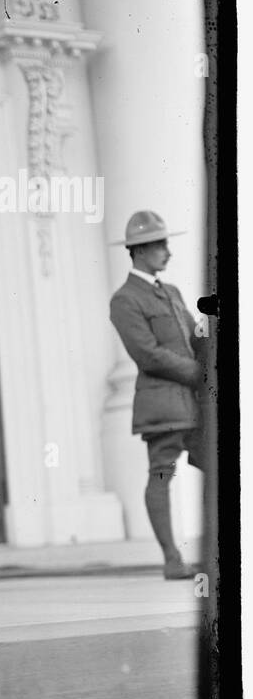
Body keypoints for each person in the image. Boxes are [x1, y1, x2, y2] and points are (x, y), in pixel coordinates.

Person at [108, 210, 206, 580]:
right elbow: (146, 353)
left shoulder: (172, 292)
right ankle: (171, 559)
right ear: (139, 251)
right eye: (160, 245)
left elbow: (190, 340)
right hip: (162, 404)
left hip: (192, 403)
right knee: (161, 475)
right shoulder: (125, 299)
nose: (168, 251)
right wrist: (199, 373)